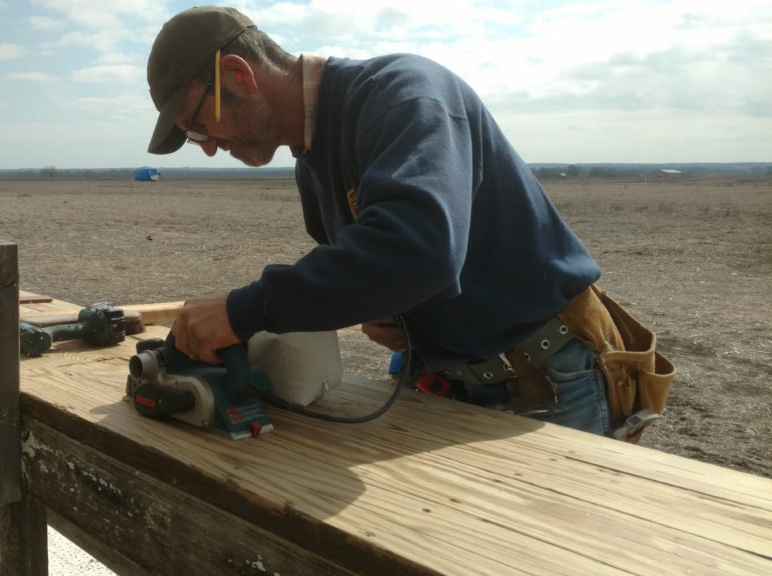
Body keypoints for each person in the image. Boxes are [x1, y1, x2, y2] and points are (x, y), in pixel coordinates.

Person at [145, 6, 673, 438]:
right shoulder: (312, 162)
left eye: (197, 125)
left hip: (549, 378)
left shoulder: (404, 94)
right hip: (452, 380)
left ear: (238, 76)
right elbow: (393, 267)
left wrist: (242, 311)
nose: (207, 147)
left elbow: (420, 252)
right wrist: (397, 313)